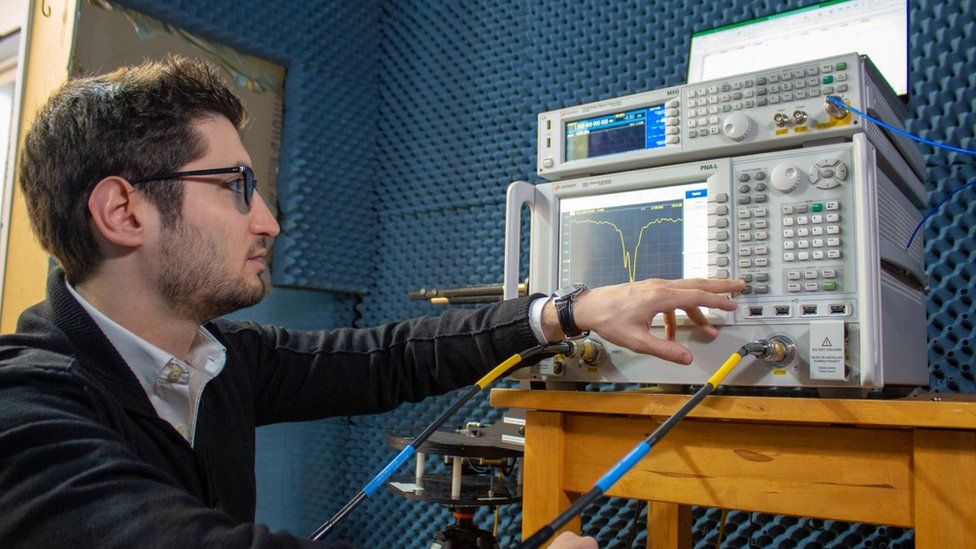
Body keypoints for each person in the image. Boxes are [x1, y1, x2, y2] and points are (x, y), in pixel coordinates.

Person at [0, 55, 743, 548]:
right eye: (235, 187)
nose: (268, 221)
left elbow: (386, 357)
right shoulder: (24, 410)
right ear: (124, 212)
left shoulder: (212, 357)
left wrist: (565, 312)